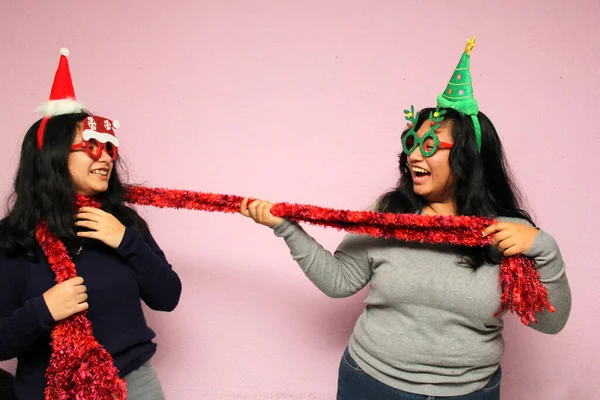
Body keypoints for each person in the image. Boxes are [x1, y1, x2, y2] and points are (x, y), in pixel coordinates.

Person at [240, 37, 571, 399]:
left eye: (430, 146)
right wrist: (285, 228)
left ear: (468, 157)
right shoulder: (389, 212)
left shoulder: (508, 234)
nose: (414, 154)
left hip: (469, 393)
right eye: (413, 141)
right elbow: (340, 281)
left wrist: (544, 247)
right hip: (370, 383)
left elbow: (551, 323)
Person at [0, 49, 181, 399]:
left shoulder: (124, 222)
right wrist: (43, 310)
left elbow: (167, 296)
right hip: (51, 391)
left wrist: (126, 241)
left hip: (135, 385)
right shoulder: (12, 240)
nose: (105, 157)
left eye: (109, 148)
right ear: (51, 159)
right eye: (90, 146)